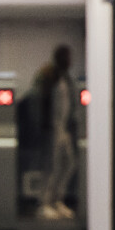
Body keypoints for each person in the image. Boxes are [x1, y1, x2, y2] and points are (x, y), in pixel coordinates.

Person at [35, 44, 79, 220]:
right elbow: (44, 103)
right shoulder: (50, 77)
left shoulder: (66, 78)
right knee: (51, 165)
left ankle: (57, 199)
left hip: (63, 126)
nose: (70, 61)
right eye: (67, 57)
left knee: (69, 162)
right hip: (52, 126)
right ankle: (44, 203)